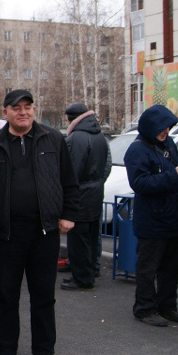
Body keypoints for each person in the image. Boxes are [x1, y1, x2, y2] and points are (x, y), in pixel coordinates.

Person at [0, 89, 79, 355]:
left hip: (45, 230)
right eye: (16, 108)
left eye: (27, 106)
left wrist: (68, 214)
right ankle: (3, 349)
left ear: (33, 110)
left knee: (43, 293)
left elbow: (68, 180)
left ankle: (44, 349)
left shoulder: (53, 139)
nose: (23, 112)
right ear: (6, 113)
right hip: (7, 232)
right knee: (5, 292)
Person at [124, 105, 178, 328]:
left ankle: (167, 306)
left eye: (168, 127)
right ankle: (144, 308)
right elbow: (140, 184)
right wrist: (175, 177)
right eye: (162, 128)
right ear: (150, 126)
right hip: (152, 219)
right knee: (148, 267)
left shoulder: (168, 144)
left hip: (173, 216)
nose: (166, 131)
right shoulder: (137, 150)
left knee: (172, 266)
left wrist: (177, 174)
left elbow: (170, 172)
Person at [61, 102, 112, 291]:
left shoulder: (77, 138)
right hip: (95, 193)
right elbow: (107, 165)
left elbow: (72, 171)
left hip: (81, 195)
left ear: (71, 119)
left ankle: (81, 277)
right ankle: (87, 272)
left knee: (78, 239)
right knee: (90, 237)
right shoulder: (99, 136)